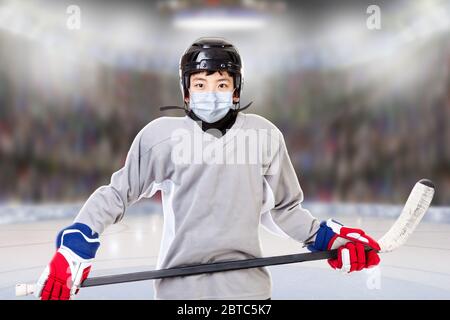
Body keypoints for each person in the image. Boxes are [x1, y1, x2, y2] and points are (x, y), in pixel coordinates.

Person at [35, 37, 380, 300]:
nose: (210, 93)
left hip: (247, 293)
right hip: (180, 293)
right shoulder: (160, 137)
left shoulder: (264, 135)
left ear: (235, 91)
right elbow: (116, 195)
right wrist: (78, 242)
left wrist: (326, 237)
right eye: (200, 84)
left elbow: (282, 210)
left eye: (221, 84)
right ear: (186, 92)